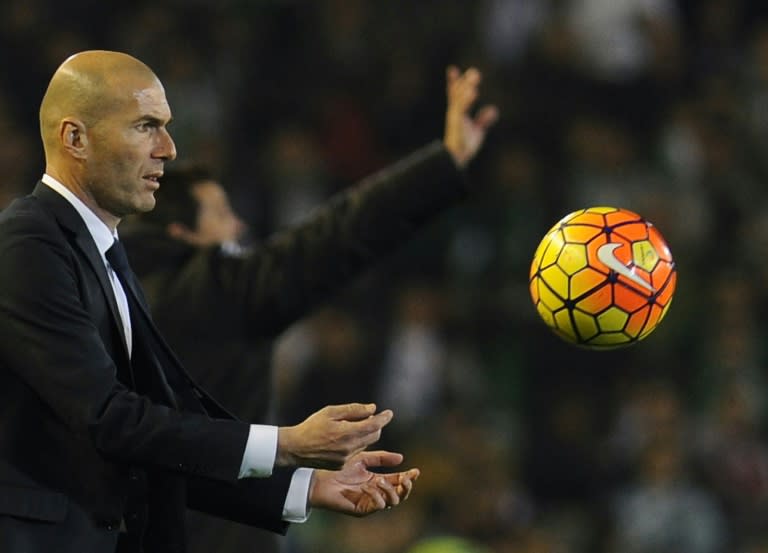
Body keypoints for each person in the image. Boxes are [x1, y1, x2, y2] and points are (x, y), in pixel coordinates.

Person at [0, 50, 426, 553]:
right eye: (145, 126)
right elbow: (110, 421)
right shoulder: (27, 244)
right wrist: (286, 444)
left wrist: (307, 485)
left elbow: (155, 447)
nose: (169, 148)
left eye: (166, 127)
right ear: (76, 138)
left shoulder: (107, 256)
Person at [118, 52, 499, 552]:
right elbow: (331, 239)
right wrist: (444, 162)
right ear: (181, 232)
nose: (238, 228)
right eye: (221, 215)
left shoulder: (104, 293)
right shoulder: (208, 290)